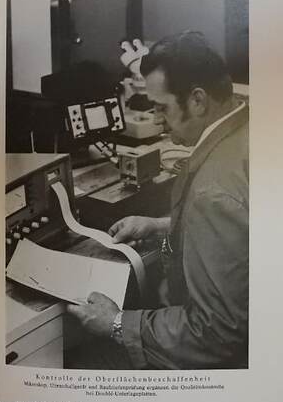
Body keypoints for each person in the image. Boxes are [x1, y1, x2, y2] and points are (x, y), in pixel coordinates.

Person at [67, 31, 249, 370]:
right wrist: (164, 225)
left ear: (197, 100)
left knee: (78, 359)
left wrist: (117, 323)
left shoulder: (213, 192)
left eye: (162, 108)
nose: (158, 123)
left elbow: (216, 333)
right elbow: (241, 237)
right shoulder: (246, 129)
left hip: (207, 355)